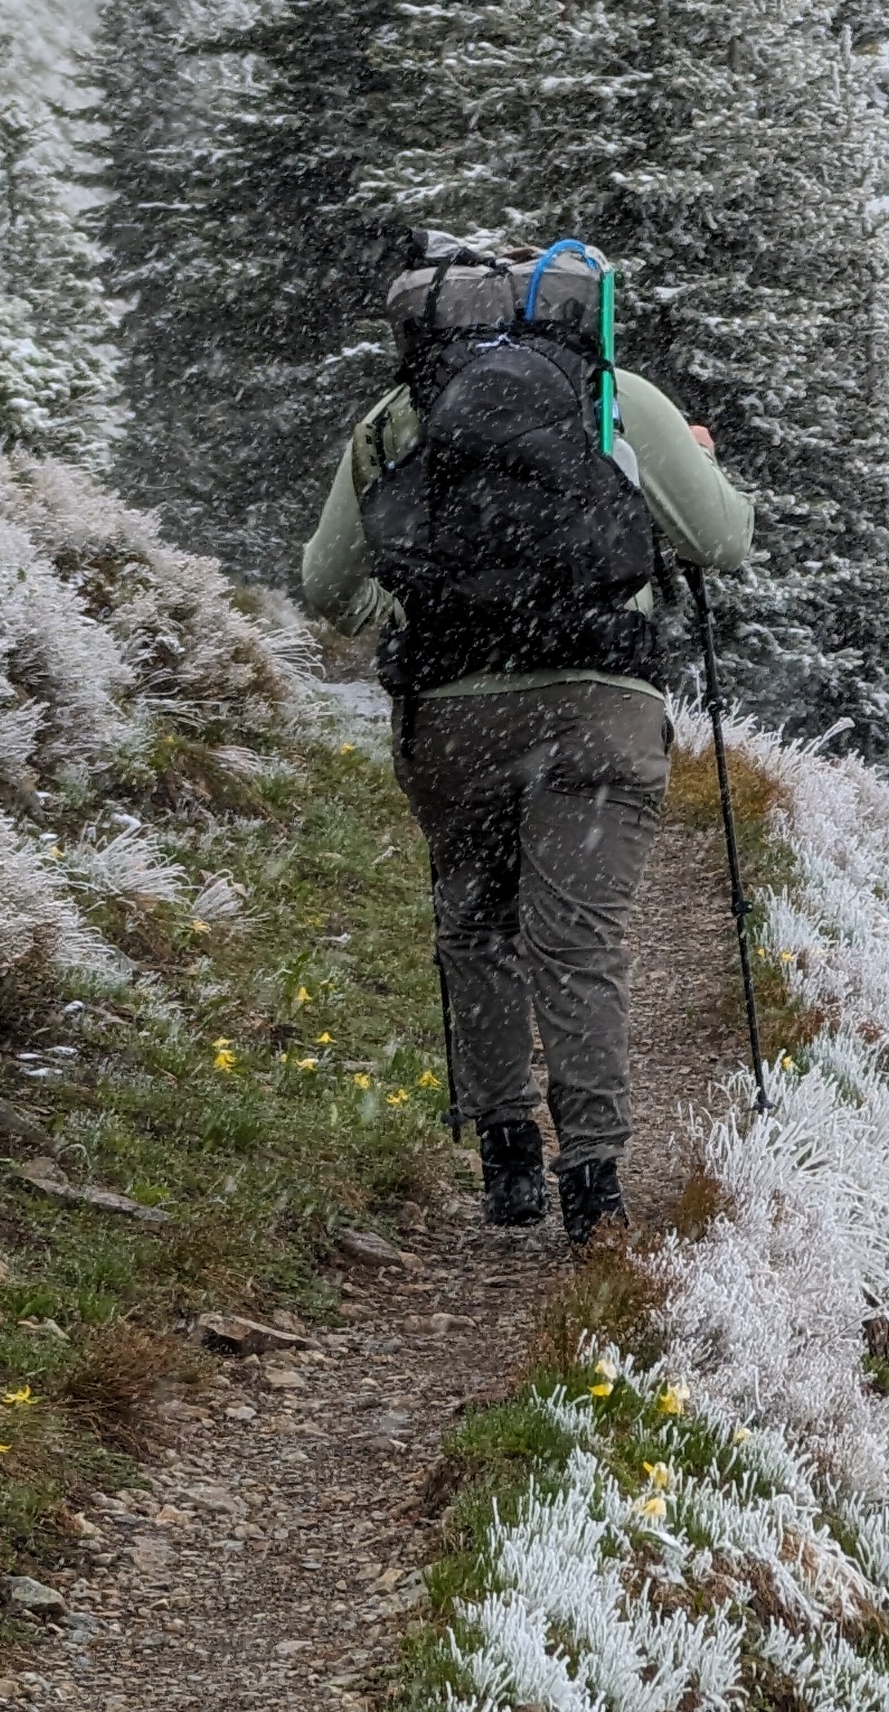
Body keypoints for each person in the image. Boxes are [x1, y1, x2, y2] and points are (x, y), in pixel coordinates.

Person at [301, 240, 753, 1246]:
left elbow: (328, 589)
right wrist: (705, 468)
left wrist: (408, 605)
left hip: (452, 715)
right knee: (577, 939)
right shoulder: (618, 399)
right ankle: (592, 1178)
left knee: (475, 929)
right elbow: (722, 543)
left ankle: (506, 1157)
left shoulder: (395, 417)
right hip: (596, 705)